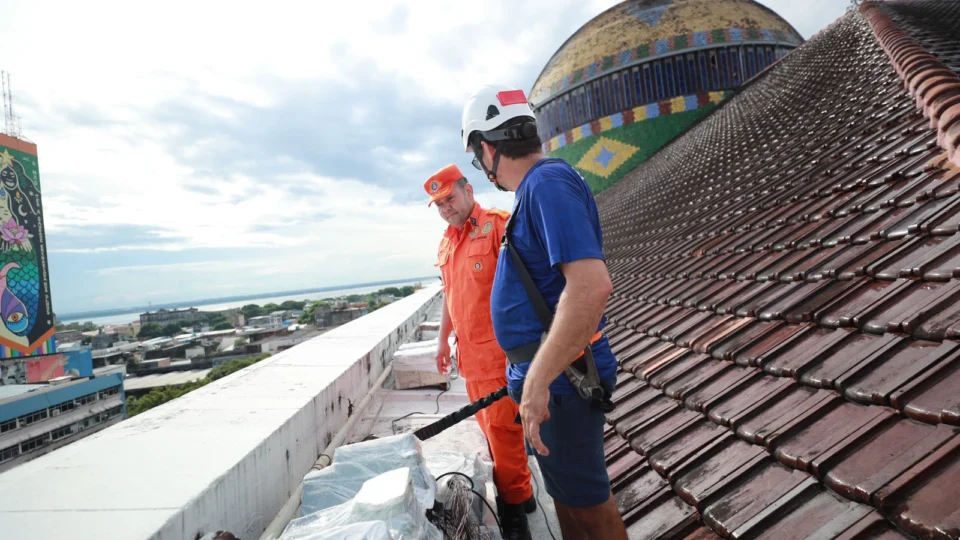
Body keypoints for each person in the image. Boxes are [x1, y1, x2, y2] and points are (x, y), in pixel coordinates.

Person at [460, 84, 628, 540]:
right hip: (552, 378)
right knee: (567, 498)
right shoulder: (537, 189)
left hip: (561, 379)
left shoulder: (547, 184)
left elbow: (591, 287)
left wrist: (535, 382)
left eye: (478, 160)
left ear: (488, 148)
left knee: (590, 506)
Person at [425, 163, 534, 540]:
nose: (445, 208)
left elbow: (529, 283)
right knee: (492, 433)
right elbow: (452, 297)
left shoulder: (498, 225)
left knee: (503, 435)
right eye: (438, 204)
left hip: (500, 357)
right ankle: (524, 495)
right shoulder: (446, 241)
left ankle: (516, 513)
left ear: (468, 190)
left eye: (449, 198)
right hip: (469, 360)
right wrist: (442, 340)